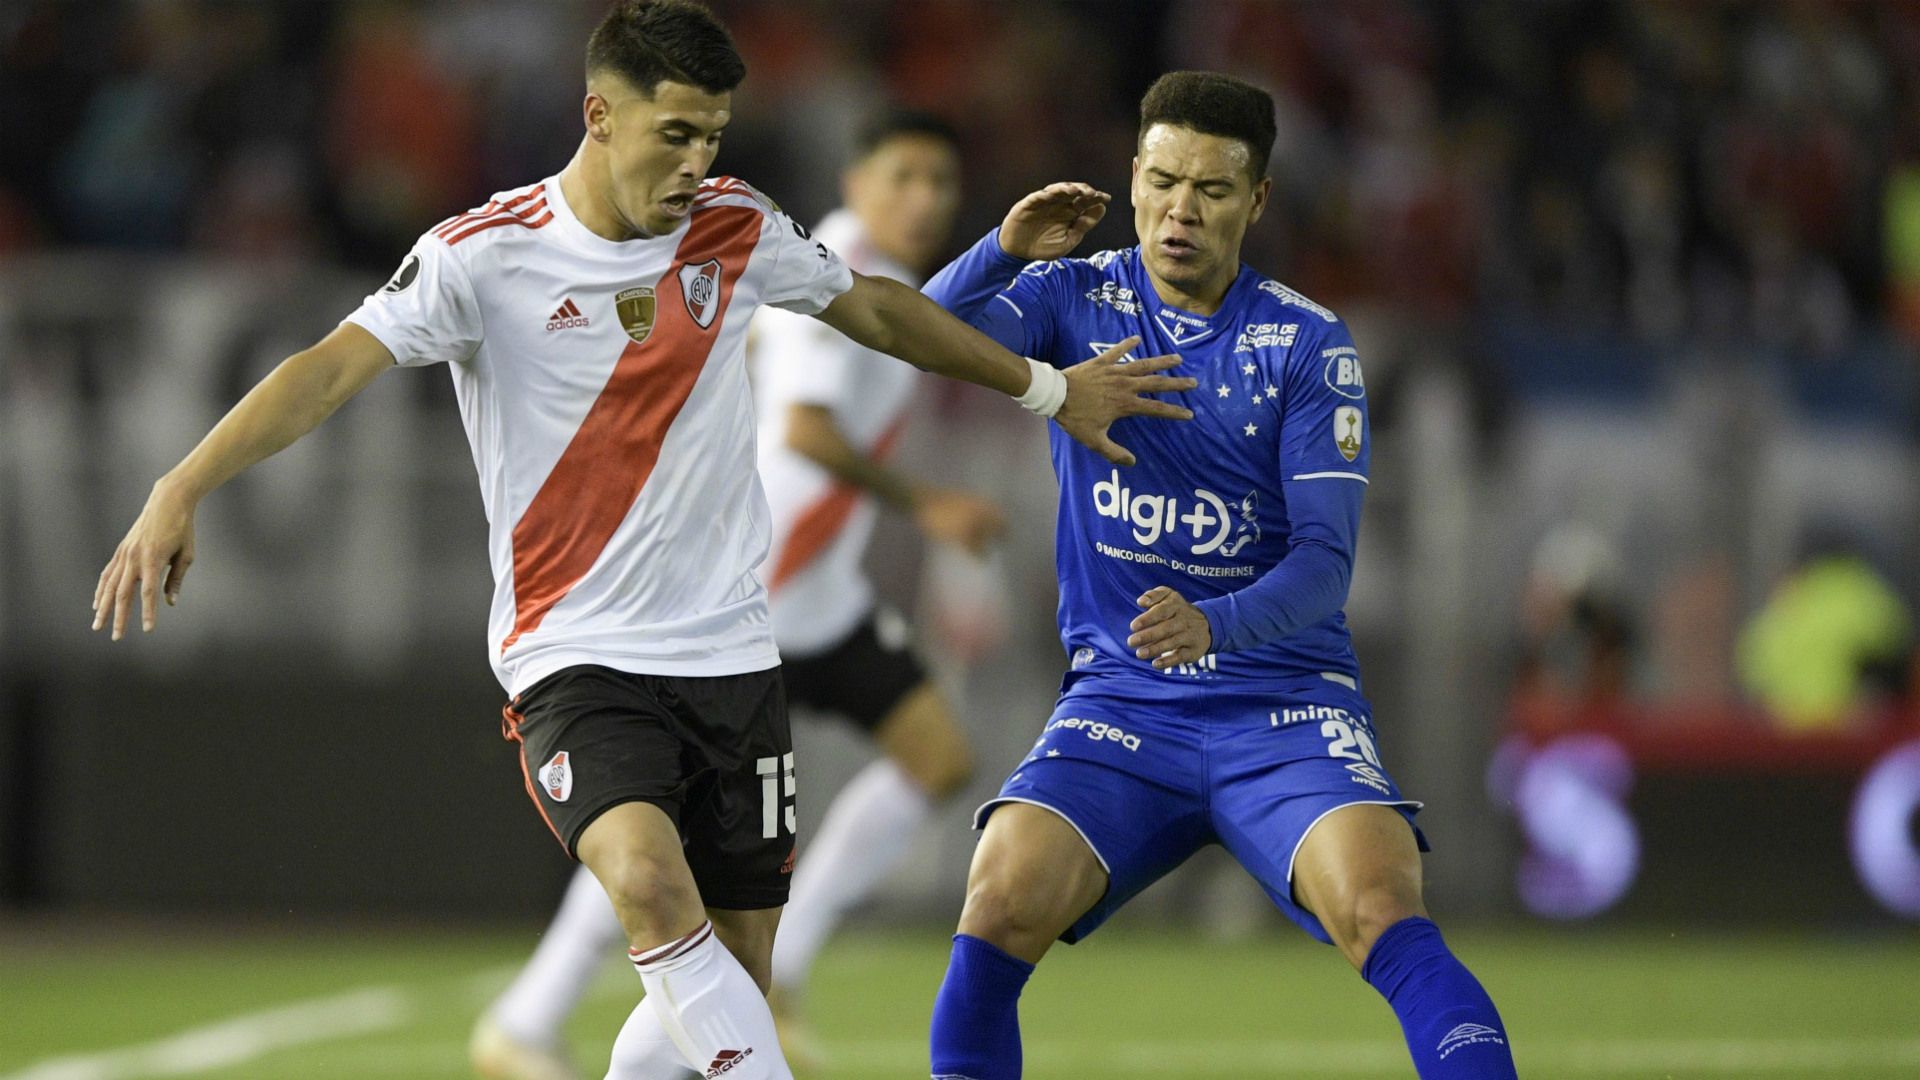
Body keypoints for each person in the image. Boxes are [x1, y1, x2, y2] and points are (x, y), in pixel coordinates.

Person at [87, 4, 1196, 1078]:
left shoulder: (734, 225)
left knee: (734, 982)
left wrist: (1046, 388)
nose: (694, 164)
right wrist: (182, 484)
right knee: (651, 894)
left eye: (711, 136)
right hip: (574, 652)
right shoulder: (485, 256)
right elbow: (325, 367)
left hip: (729, 653)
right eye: (674, 134)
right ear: (598, 115)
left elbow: (875, 310)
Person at [919, 71, 1519, 1080]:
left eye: (1211, 189)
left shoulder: (1308, 344)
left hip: (1279, 703)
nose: (1179, 210)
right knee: (998, 900)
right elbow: (926, 343)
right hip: (1122, 704)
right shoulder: (1075, 296)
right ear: (1134, 177)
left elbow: (1326, 569)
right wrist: (1001, 250)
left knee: (1382, 906)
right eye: (1160, 181)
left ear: (1259, 201)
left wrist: (1214, 623)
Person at [469, 109, 998, 1079]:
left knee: (936, 756)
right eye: (906, 175)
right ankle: (531, 1016)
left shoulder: (879, 274)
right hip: (757, 591)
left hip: (822, 590)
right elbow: (802, 428)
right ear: (857, 179)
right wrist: (926, 505)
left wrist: (1008, 251)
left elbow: (928, 317)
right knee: (656, 844)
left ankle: (770, 971)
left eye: (943, 182)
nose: (926, 198)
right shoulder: (828, 257)